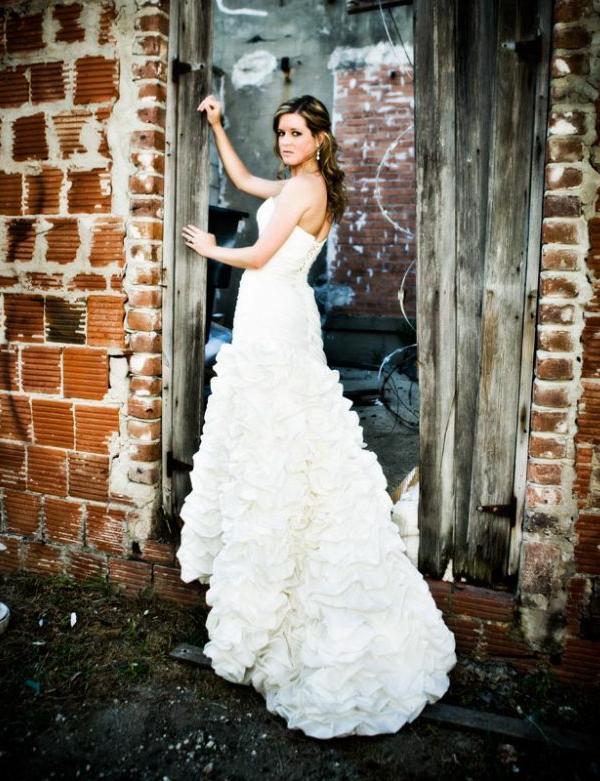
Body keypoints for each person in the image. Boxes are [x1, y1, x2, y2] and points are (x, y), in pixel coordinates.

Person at [177, 94, 456, 739]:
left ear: (320, 140)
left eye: (295, 132)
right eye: (280, 132)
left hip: (274, 314)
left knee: (280, 434)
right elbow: (246, 182)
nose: (284, 141)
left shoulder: (306, 190)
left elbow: (256, 257)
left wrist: (211, 248)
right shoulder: (309, 184)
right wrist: (219, 126)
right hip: (279, 313)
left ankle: (287, 566)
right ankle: (277, 543)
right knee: (284, 434)